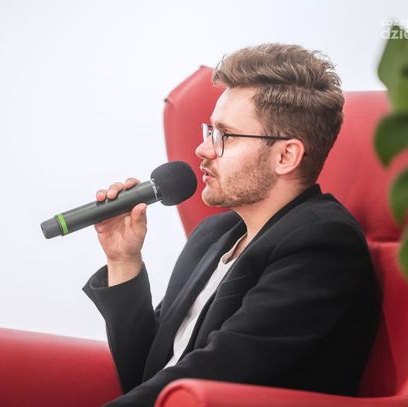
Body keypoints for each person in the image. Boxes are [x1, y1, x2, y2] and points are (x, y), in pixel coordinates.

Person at [83, 43, 380, 406]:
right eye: (209, 130)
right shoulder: (213, 235)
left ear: (285, 156)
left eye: (225, 135)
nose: (203, 149)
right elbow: (146, 376)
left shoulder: (322, 246)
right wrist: (123, 260)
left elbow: (213, 376)